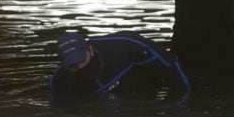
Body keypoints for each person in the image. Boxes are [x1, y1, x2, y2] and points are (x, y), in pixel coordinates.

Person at [50, 31, 190, 102]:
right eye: (72, 66)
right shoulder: (60, 81)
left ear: (90, 50)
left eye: (82, 60)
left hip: (145, 88)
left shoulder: (127, 46)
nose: (79, 67)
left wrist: (182, 104)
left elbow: (170, 65)